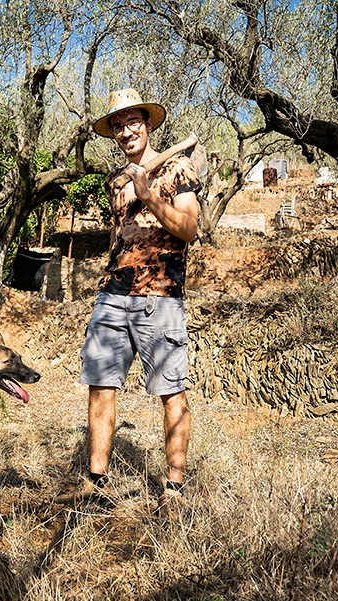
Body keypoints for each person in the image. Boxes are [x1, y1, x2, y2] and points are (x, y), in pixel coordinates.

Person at [64, 88, 202, 513]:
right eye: (118, 126)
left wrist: (149, 196)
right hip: (112, 295)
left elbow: (189, 228)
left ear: (147, 123)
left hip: (159, 298)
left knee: (170, 391)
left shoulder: (179, 168)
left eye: (133, 122)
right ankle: (97, 481)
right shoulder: (115, 181)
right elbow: (118, 237)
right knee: (100, 386)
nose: (127, 131)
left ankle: (174, 488)